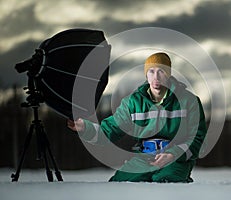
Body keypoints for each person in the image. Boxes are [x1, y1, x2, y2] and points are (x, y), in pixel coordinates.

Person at [67, 52, 207, 183]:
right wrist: (85, 128)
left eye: (161, 71)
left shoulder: (189, 101)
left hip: (175, 158)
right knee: (120, 183)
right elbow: (110, 130)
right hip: (144, 157)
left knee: (167, 182)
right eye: (151, 71)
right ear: (146, 75)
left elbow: (197, 138)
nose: (156, 77)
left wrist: (173, 154)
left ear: (168, 74)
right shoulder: (133, 102)